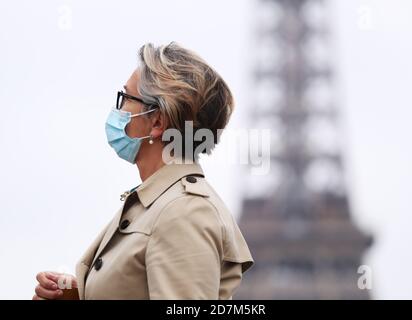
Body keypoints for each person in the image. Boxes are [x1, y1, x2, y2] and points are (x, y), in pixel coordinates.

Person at [33, 42, 254, 300]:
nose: (118, 110)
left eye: (126, 98)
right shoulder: (163, 203)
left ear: (157, 121)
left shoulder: (184, 211)